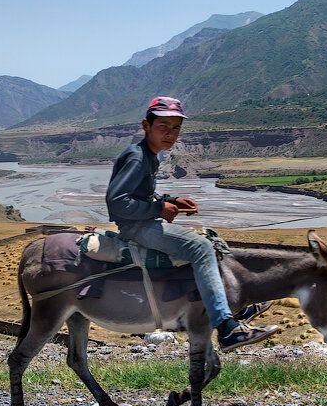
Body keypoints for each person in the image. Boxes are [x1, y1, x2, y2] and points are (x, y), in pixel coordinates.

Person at [104, 96, 277, 352]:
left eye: (176, 128)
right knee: (201, 249)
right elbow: (117, 202)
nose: (170, 134)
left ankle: (233, 307)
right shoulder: (137, 158)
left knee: (209, 241)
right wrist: (159, 209)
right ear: (146, 125)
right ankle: (227, 328)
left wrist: (171, 200)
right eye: (163, 126)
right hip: (137, 228)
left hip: (144, 222)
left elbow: (139, 194)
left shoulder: (149, 155)